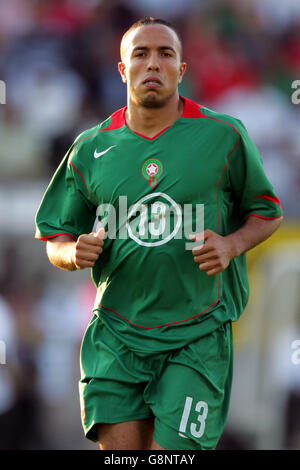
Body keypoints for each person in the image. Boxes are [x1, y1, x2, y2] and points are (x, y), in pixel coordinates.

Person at [35, 17, 283, 450]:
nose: (154, 63)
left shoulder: (223, 136)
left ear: (182, 69)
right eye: (141, 54)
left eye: (166, 54)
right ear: (122, 69)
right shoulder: (91, 148)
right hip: (116, 334)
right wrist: (73, 252)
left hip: (196, 334)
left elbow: (267, 212)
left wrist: (231, 244)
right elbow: (55, 236)